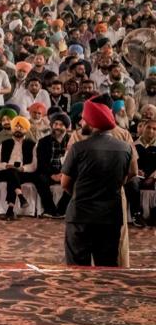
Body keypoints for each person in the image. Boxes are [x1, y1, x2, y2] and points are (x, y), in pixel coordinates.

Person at [62, 97, 132, 266]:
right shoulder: (125, 147)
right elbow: (128, 176)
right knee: (106, 266)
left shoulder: (78, 147)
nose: (81, 122)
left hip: (81, 215)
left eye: (83, 119)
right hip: (110, 216)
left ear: (92, 122)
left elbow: (65, 183)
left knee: (77, 268)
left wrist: (78, 193)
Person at [0, 116, 37, 220]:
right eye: (16, 127)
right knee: (11, 172)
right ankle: (21, 197)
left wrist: (23, 168)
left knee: (12, 176)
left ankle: (10, 209)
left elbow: (34, 165)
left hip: (24, 173)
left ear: (26, 130)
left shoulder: (32, 144)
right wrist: (5, 165)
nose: (18, 129)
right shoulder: (5, 143)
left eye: (21, 127)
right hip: (6, 171)